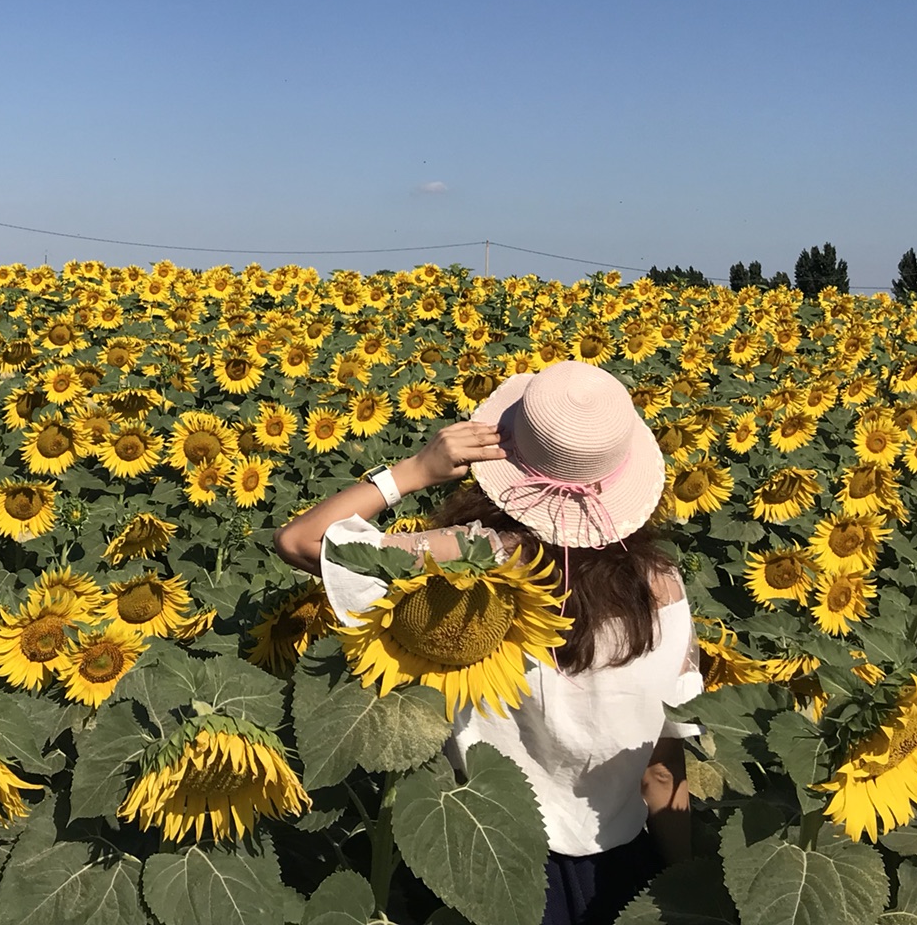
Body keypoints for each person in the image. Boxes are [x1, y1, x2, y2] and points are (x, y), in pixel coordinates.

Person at [272, 361, 698, 925]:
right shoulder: (663, 590)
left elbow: (303, 541)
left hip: (487, 851)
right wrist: (688, 886)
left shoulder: (465, 564)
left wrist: (414, 471)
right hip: (619, 862)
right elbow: (662, 772)